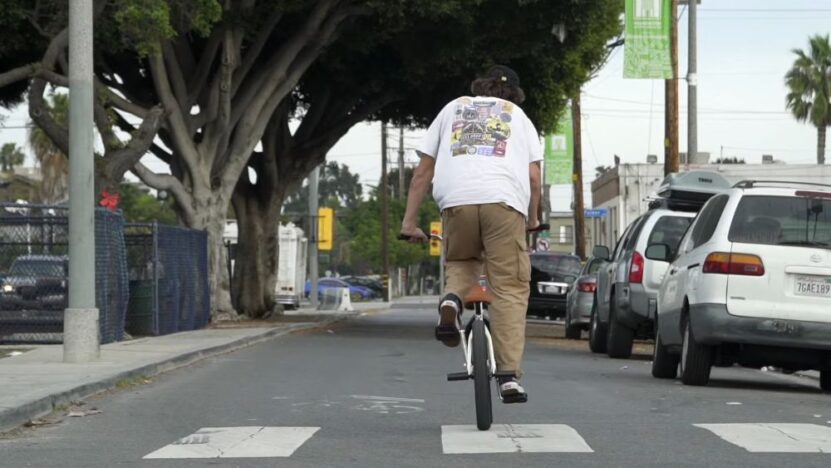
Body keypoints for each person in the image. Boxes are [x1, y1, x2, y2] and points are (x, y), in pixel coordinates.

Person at [399, 65, 542, 402]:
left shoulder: (452, 109)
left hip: (457, 202)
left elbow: (422, 173)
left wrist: (409, 223)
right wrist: (533, 218)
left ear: (480, 87)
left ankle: (451, 300)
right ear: (514, 94)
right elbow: (534, 178)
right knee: (508, 287)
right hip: (503, 203)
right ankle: (508, 376)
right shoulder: (518, 117)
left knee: (462, 261)